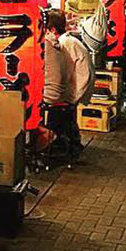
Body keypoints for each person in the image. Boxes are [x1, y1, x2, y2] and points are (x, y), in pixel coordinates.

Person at [43, 10, 94, 158]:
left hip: (76, 88)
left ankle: (58, 144)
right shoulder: (68, 40)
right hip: (77, 86)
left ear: (52, 30)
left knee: (49, 104)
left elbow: (63, 75)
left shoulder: (64, 43)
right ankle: (70, 143)